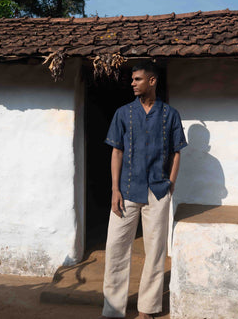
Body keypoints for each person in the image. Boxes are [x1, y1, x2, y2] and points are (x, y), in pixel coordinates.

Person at [99, 62, 187, 319]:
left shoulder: (170, 115)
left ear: (152, 81)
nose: (132, 83)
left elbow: (176, 152)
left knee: (155, 250)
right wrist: (114, 189)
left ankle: (147, 309)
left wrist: (171, 183)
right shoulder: (122, 113)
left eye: (137, 79)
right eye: (132, 80)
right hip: (126, 190)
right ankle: (113, 309)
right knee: (115, 247)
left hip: (158, 192)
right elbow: (117, 151)